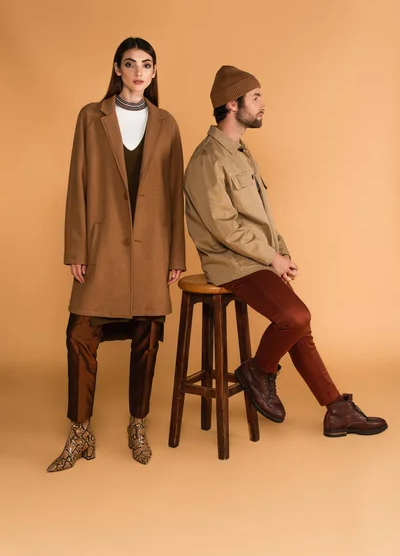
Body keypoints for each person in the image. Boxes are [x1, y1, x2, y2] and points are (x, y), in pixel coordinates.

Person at [183, 65, 387, 438]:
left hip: (254, 259)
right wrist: (270, 257)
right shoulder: (207, 160)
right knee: (296, 316)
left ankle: (336, 409)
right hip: (230, 263)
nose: (263, 104)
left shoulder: (240, 153)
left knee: (299, 326)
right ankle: (259, 371)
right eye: (255, 97)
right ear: (232, 103)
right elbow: (223, 226)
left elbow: (259, 217)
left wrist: (281, 254)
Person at [47, 37, 186, 472]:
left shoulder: (167, 123)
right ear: (117, 69)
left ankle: (137, 424)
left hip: (151, 249)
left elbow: (173, 195)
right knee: (80, 335)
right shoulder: (91, 117)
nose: (139, 72)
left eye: (147, 65)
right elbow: (77, 182)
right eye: (131, 64)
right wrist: (75, 247)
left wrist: (175, 254)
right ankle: (79, 430)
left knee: (147, 339)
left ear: (155, 72)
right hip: (101, 245)